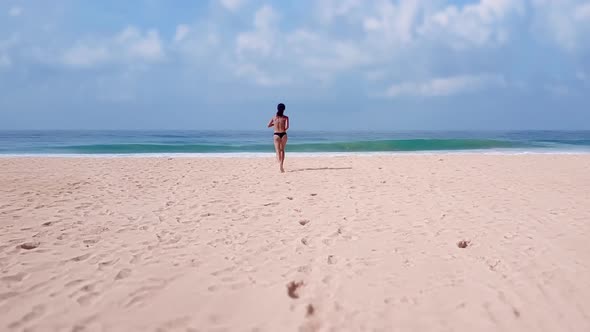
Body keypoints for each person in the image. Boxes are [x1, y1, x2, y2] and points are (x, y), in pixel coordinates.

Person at [267, 103, 289, 173]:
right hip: (283, 134)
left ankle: (279, 163)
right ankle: (281, 165)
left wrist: (275, 124)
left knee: (277, 150)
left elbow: (268, 125)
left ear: (277, 109)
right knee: (282, 150)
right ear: (284, 109)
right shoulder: (286, 117)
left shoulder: (274, 118)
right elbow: (287, 127)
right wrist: (283, 129)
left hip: (276, 134)